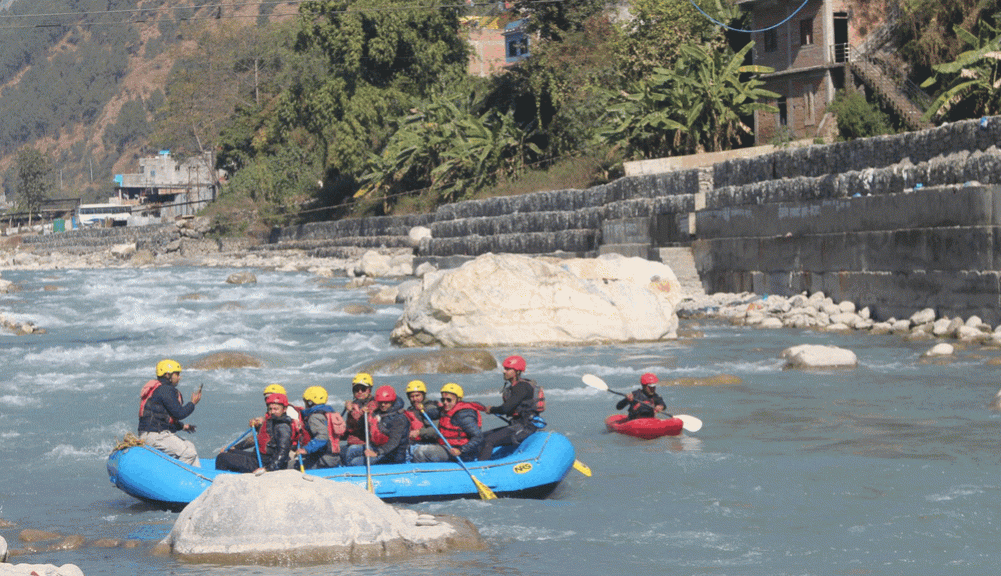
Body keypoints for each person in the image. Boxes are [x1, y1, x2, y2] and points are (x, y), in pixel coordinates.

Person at [478, 355, 543, 461]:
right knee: (481, 437)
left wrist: (492, 409)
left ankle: (480, 469)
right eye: (504, 369)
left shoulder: (522, 387)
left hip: (525, 427)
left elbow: (505, 409)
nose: (504, 371)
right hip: (516, 425)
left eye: (508, 369)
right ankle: (473, 461)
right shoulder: (514, 387)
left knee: (489, 440)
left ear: (517, 372)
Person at [138, 359, 202, 466]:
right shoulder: (166, 390)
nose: (179, 377)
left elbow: (161, 418)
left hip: (152, 434)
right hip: (155, 436)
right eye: (177, 374)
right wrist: (193, 403)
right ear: (168, 375)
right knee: (189, 453)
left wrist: (182, 427)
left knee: (190, 446)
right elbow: (179, 414)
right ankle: (179, 479)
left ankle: (198, 478)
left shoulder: (159, 389)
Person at [216, 393, 295, 473]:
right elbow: (259, 438)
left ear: (284, 409)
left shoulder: (283, 427)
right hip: (260, 457)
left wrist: (267, 469)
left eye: (276, 409)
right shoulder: (272, 421)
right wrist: (235, 448)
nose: (272, 412)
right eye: (270, 409)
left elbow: (283, 452)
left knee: (221, 457)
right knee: (229, 451)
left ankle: (220, 479)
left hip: (265, 463)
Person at [412, 383, 483, 463]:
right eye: (443, 400)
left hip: (462, 453)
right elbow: (432, 413)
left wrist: (461, 450)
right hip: (448, 446)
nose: (445, 402)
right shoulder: (445, 409)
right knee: (416, 447)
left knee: (420, 451)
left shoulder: (464, 415)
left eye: (449, 400)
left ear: (458, 400)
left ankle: (420, 473)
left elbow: (478, 437)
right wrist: (423, 409)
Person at [345, 385, 410, 466]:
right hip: (378, 447)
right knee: (351, 450)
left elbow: (394, 442)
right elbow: (362, 427)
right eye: (380, 402)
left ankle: (354, 473)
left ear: (392, 401)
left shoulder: (400, 418)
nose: (383, 405)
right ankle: (347, 471)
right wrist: (363, 415)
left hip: (393, 454)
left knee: (355, 462)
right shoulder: (378, 412)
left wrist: (377, 452)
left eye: (386, 402)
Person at [296, 386, 345, 469]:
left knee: (291, 465)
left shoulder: (314, 417)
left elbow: (322, 437)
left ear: (310, 402)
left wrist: (306, 449)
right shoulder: (329, 412)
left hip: (323, 459)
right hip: (334, 457)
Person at [402, 380, 441, 452]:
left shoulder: (430, 409)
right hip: (416, 443)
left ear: (423, 395)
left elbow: (436, 431)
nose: (414, 399)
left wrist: (419, 432)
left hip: (431, 444)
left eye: (417, 395)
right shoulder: (411, 409)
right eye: (412, 396)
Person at [343, 373, 376, 451]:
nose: (360, 392)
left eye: (363, 389)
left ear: (369, 390)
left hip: (367, 444)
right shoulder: (355, 404)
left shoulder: (374, 404)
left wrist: (352, 411)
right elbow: (349, 428)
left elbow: (363, 425)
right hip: (353, 442)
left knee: (351, 451)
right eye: (356, 389)